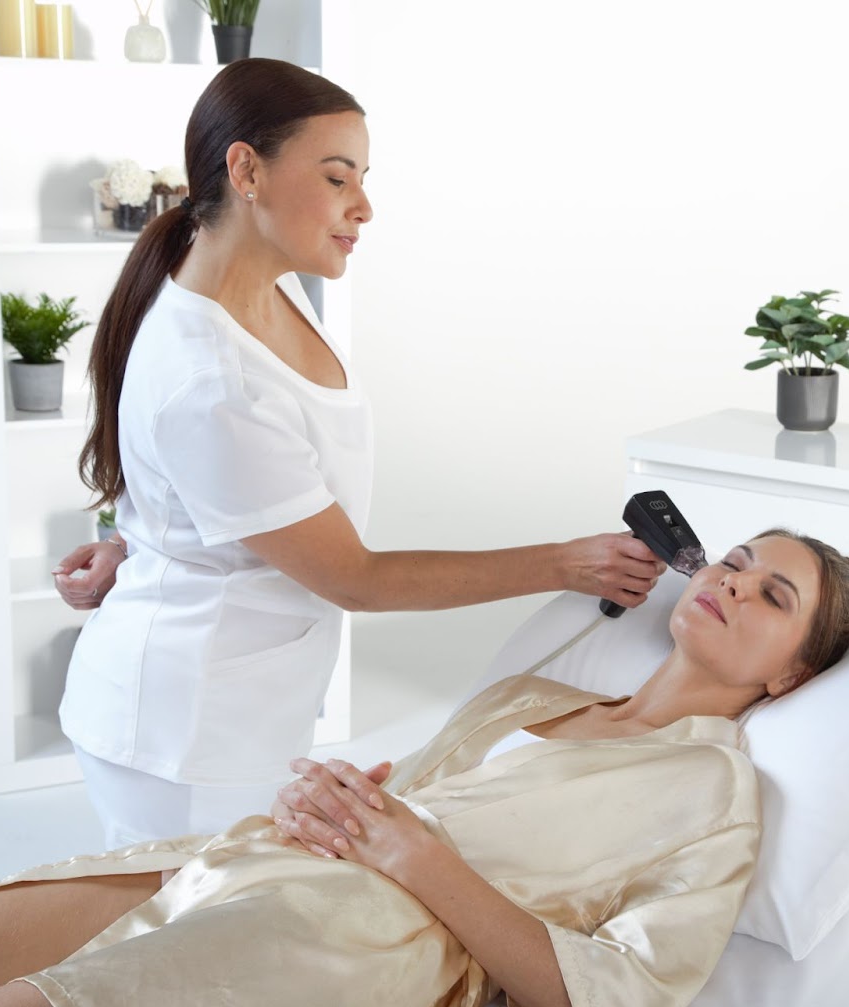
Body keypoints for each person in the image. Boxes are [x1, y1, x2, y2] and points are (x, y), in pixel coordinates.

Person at [0, 531, 849, 1007]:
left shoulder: (714, 793)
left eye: (772, 597)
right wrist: (338, 797)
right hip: (259, 858)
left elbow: (614, 1005)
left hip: (359, 949)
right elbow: (409, 795)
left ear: (792, 673)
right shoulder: (537, 695)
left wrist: (418, 860)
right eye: (737, 562)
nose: (734, 584)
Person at [50, 58, 662, 848]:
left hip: (234, 706)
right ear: (247, 171)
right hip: (181, 736)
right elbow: (355, 579)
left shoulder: (263, 282)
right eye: (338, 178)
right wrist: (566, 563)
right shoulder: (213, 378)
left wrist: (139, 543)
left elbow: (185, 471)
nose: (364, 206)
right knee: (176, 952)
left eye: (363, 178)